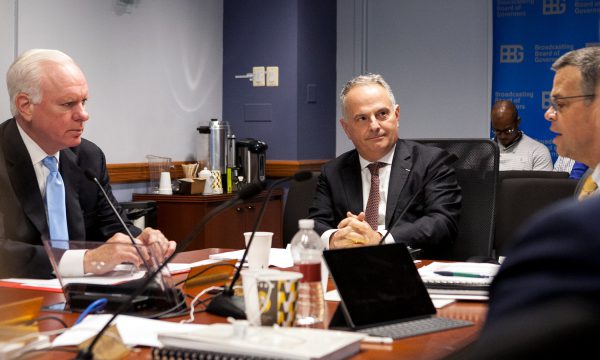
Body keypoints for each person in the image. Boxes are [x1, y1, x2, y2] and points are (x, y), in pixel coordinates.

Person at [0, 49, 176, 279]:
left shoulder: (88, 157)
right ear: (25, 105)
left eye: (83, 102)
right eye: (68, 104)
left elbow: (112, 228)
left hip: (85, 299)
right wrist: (85, 261)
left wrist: (140, 241)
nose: (83, 115)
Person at [308, 73, 461, 258]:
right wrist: (336, 238)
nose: (374, 125)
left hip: (412, 267)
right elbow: (315, 223)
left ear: (396, 116)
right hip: (353, 268)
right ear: (347, 129)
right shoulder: (333, 171)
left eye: (382, 114)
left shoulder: (431, 162)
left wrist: (379, 239)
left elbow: (442, 222)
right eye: (362, 118)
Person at [491, 100, 553, 171]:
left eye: (508, 131)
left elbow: (542, 182)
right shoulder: (484, 152)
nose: (502, 136)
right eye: (497, 131)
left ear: (518, 122)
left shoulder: (538, 152)